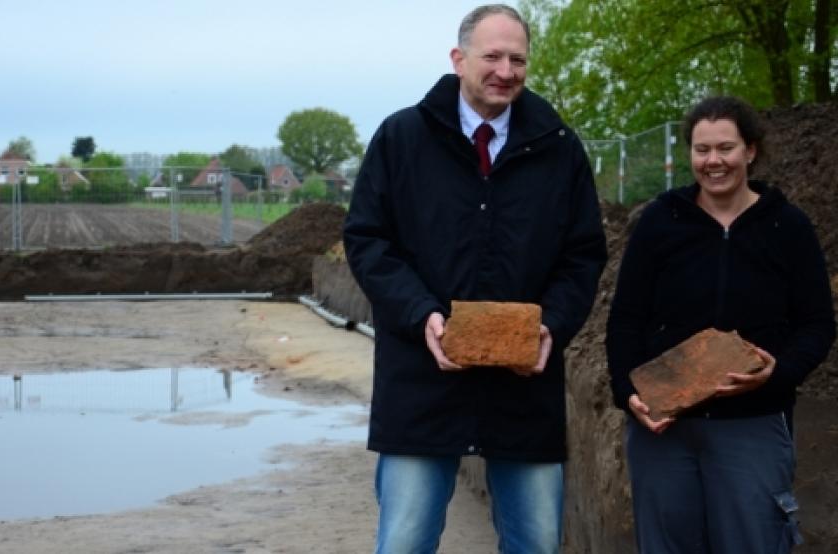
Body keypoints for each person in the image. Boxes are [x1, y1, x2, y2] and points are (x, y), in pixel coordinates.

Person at [343, 4, 607, 552]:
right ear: (458, 59)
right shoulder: (402, 139)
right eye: (492, 56)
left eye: (518, 59)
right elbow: (368, 241)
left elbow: (583, 255)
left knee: (535, 543)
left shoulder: (558, 149)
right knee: (405, 542)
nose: (505, 71)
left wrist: (552, 325)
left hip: (523, 390)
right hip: (421, 383)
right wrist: (421, 315)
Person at [605, 95, 836, 553]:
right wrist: (625, 391)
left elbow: (817, 324)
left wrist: (780, 374)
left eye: (725, 148)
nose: (713, 161)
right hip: (665, 427)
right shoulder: (660, 223)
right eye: (702, 149)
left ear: (750, 150)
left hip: (753, 425)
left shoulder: (787, 227)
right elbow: (625, 319)